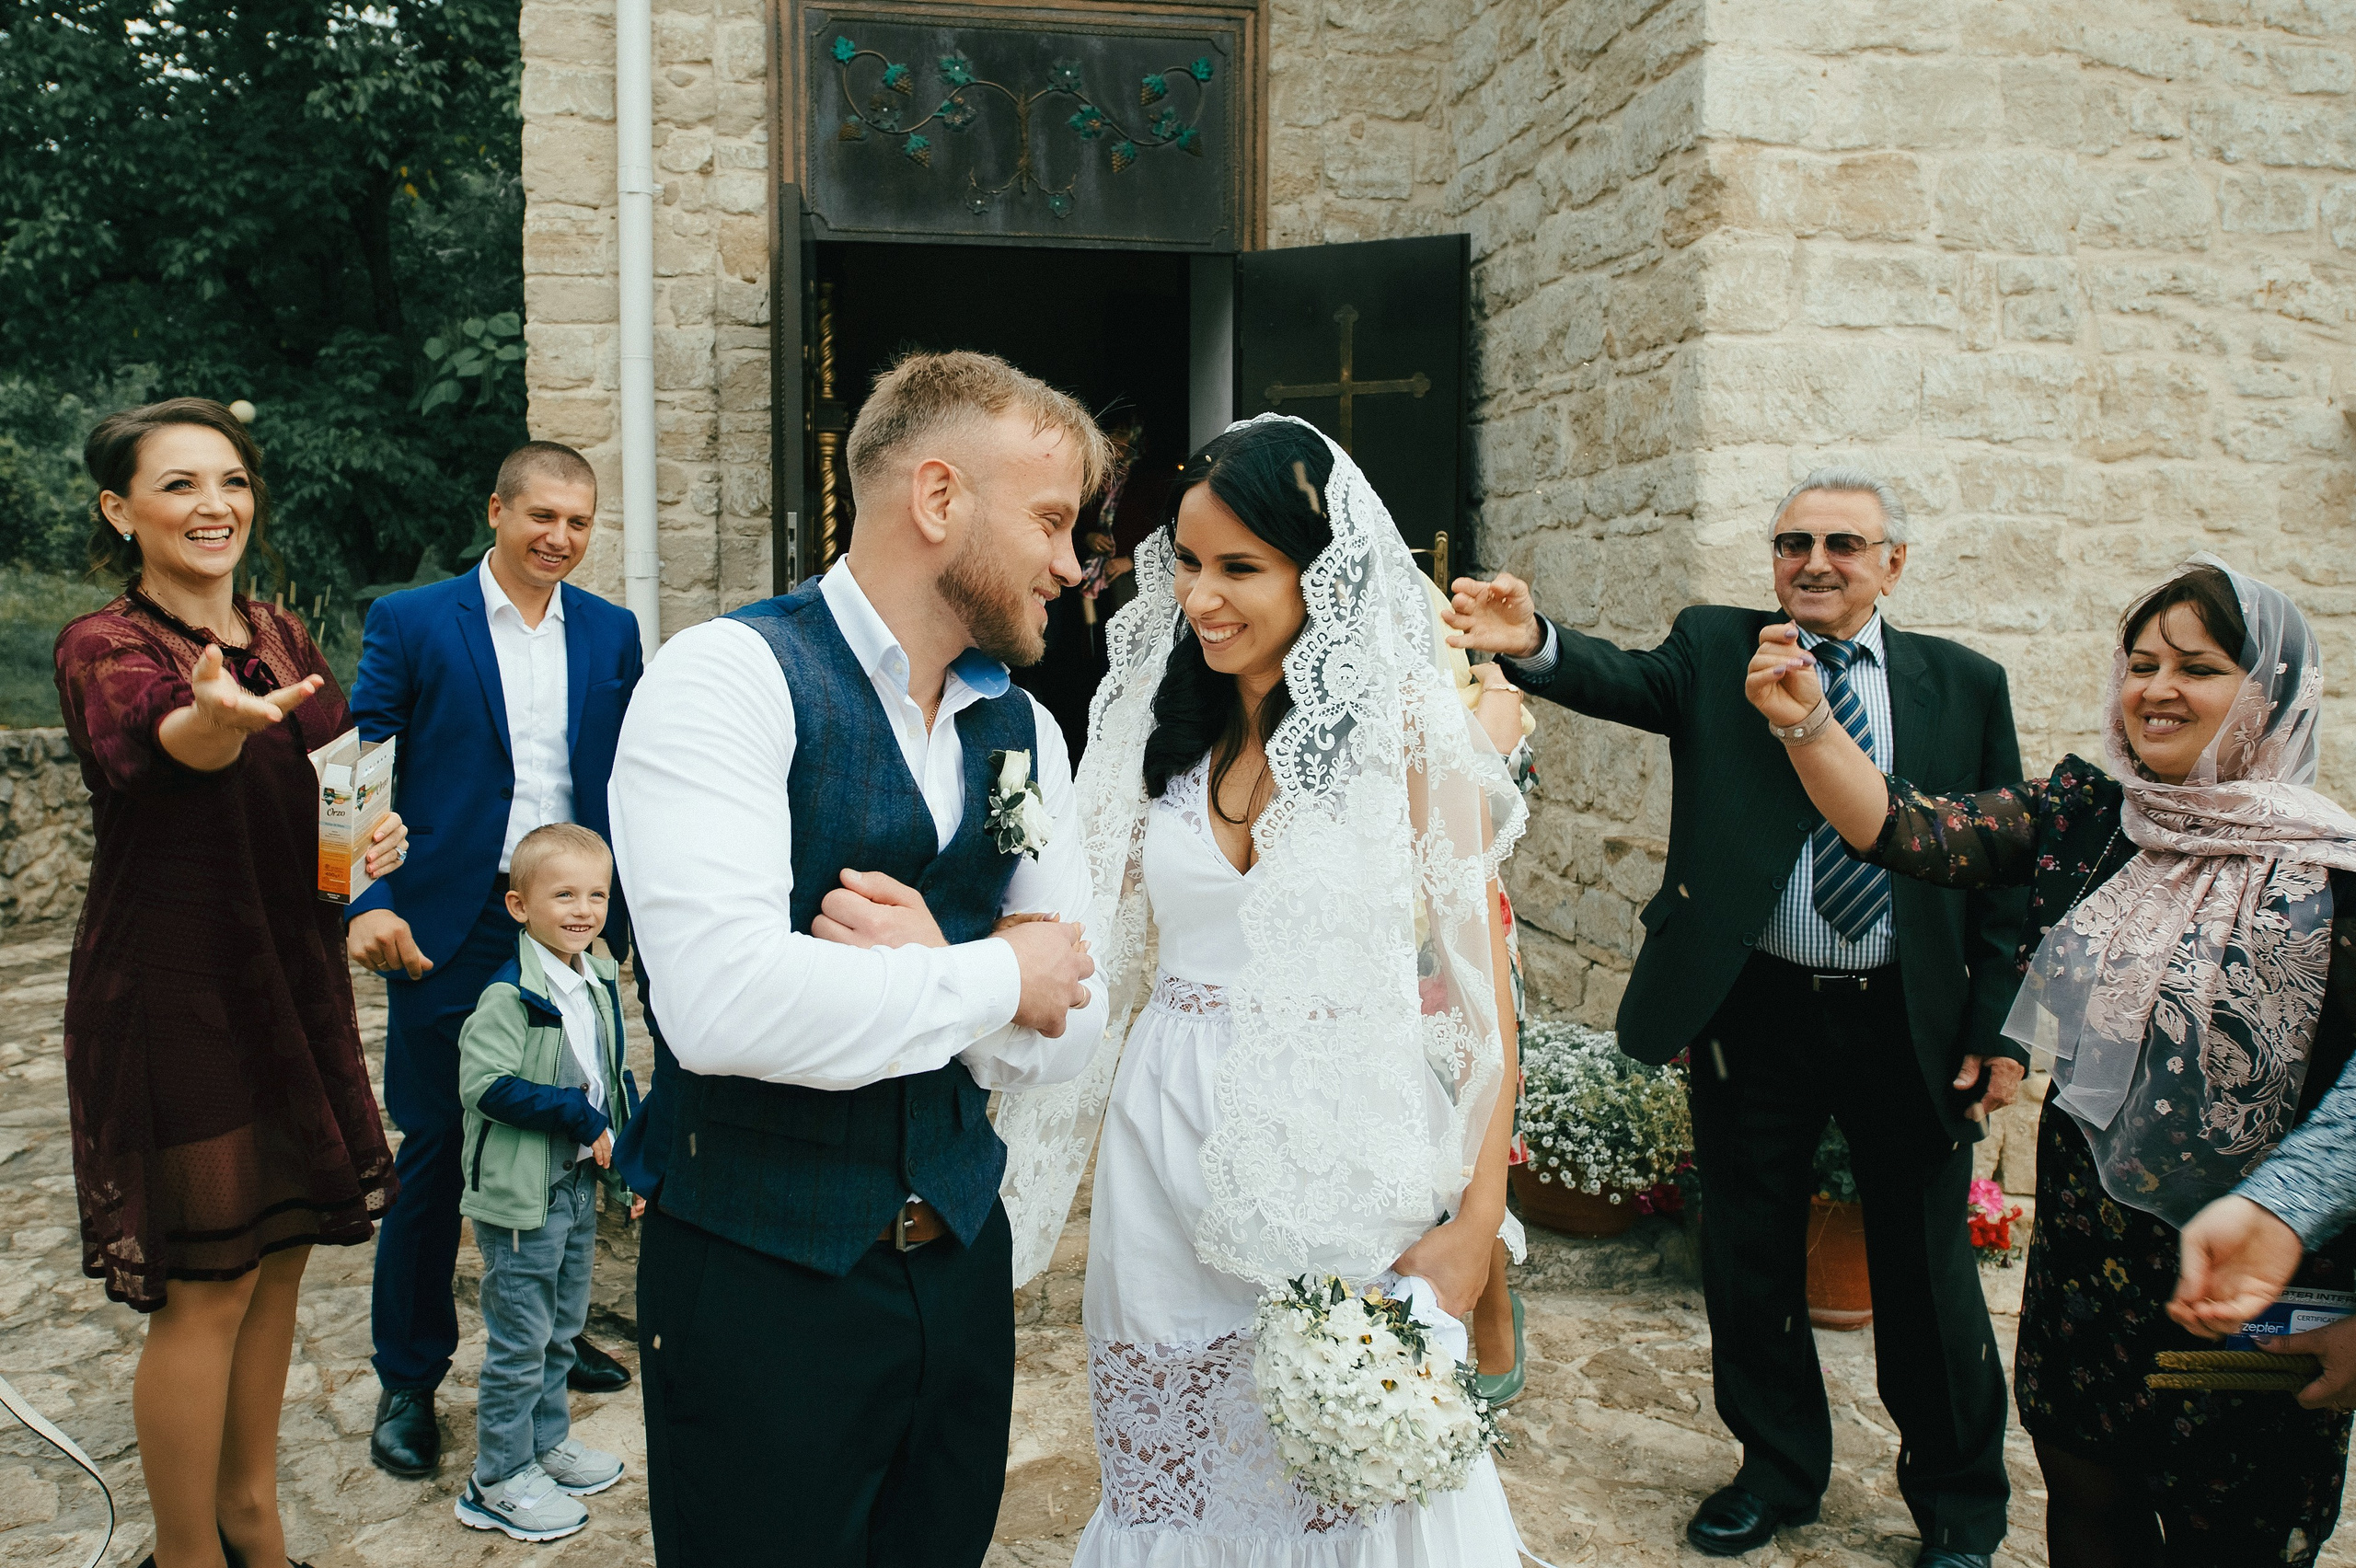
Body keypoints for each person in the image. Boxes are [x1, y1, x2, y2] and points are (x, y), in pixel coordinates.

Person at [1446, 467, 2023, 1566]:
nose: (1814, 561)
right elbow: (1618, 678)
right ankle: (1775, 1473)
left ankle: (1956, 1506)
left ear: (1890, 563)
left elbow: (1997, 873)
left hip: (1906, 1016)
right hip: (1753, 1010)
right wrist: (1532, 640)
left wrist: (1996, 1029)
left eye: (1843, 544)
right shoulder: (1720, 650)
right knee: (1748, 1258)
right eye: (1792, 541)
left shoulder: (1964, 685)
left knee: (1929, 1277)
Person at [1747, 557, 2356, 1566]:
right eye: (2140, 663)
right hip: (2089, 1265)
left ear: (2267, 692)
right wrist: (1805, 721)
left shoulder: (2331, 875)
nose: (2155, 690)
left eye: (2195, 668)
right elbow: (1909, 831)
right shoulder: (2093, 818)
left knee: (2230, 1542)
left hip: (2261, 1286)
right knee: (2085, 1509)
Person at [996, 414, 1530, 1563]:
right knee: (1172, 1472)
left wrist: (1475, 1222)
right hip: (1163, 1143)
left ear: (1319, 569)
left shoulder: (1408, 737)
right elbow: (1081, 937)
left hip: (1340, 1141)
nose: (1203, 598)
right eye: (1186, 563)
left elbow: (1489, 1003)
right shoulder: (1156, 736)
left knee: (1347, 1454)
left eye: (1241, 567)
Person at [609, 349, 1109, 1565]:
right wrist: (998, 975)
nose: (1070, 563)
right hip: (761, 1285)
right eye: (1050, 520)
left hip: (959, 1274)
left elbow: (1077, 1025)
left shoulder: (1024, 726)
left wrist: (940, 950)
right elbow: (728, 1008)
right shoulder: (726, 679)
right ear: (939, 501)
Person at [53, 398, 409, 1568]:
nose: (215, 507)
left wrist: (364, 848)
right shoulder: (105, 647)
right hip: (176, 998)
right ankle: (185, 1555)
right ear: (122, 511)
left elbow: (338, 793)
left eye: (232, 482)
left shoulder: (284, 633)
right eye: (180, 486)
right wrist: (214, 720)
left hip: (289, 981)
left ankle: (253, 1520)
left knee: (283, 1258)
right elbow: (166, 746)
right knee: (206, 1287)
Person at [344, 441, 644, 1478]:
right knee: (436, 1149)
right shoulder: (415, 620)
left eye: (578, 522)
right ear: (497, 512)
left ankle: (555, 1343)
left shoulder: (610, 633)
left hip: (566, 928)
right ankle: (409, 1380)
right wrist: (369, 899)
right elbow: (357, 769)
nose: (558, 538)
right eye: (541, 518)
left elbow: (626, 782)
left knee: (568, 1142)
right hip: (448, 921)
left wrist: (630, 927)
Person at [453, 823, 642, 1543]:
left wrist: (628, 1168)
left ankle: (545, 1445)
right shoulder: (510, 995)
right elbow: (485, 1085)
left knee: (563, 1328)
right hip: (519, 1196)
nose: (583, 909)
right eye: (563, 893)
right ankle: (497, 1478)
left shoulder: (594, 978)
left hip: (574, 1187)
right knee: (520, 1339)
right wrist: (574, 1115)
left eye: (596, 894)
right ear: (519, 905)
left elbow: (610, 1078)